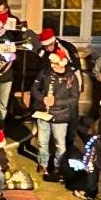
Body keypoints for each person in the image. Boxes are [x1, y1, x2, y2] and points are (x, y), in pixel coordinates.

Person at [30, 47, 80, 179]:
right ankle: (43, 165)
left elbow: (74, 99)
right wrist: (42, 99)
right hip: (44, 113)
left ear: (62, 63)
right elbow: (34, 88)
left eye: (55, 64)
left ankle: (59, 166)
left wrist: (56, 102)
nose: (52, 66)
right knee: (42, 142)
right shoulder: (45, 73)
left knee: (60, 144)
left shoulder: (71, 77)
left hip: (60, 115)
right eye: (51, 63)